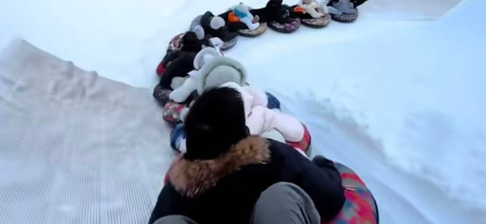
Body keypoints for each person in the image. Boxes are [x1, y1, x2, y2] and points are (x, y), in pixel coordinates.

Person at [148, 87, 346, 224]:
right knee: (281, 197)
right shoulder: (272, 158)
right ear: (242, 131)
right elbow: (331, 196)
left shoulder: (178, 187)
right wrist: (324, 164)